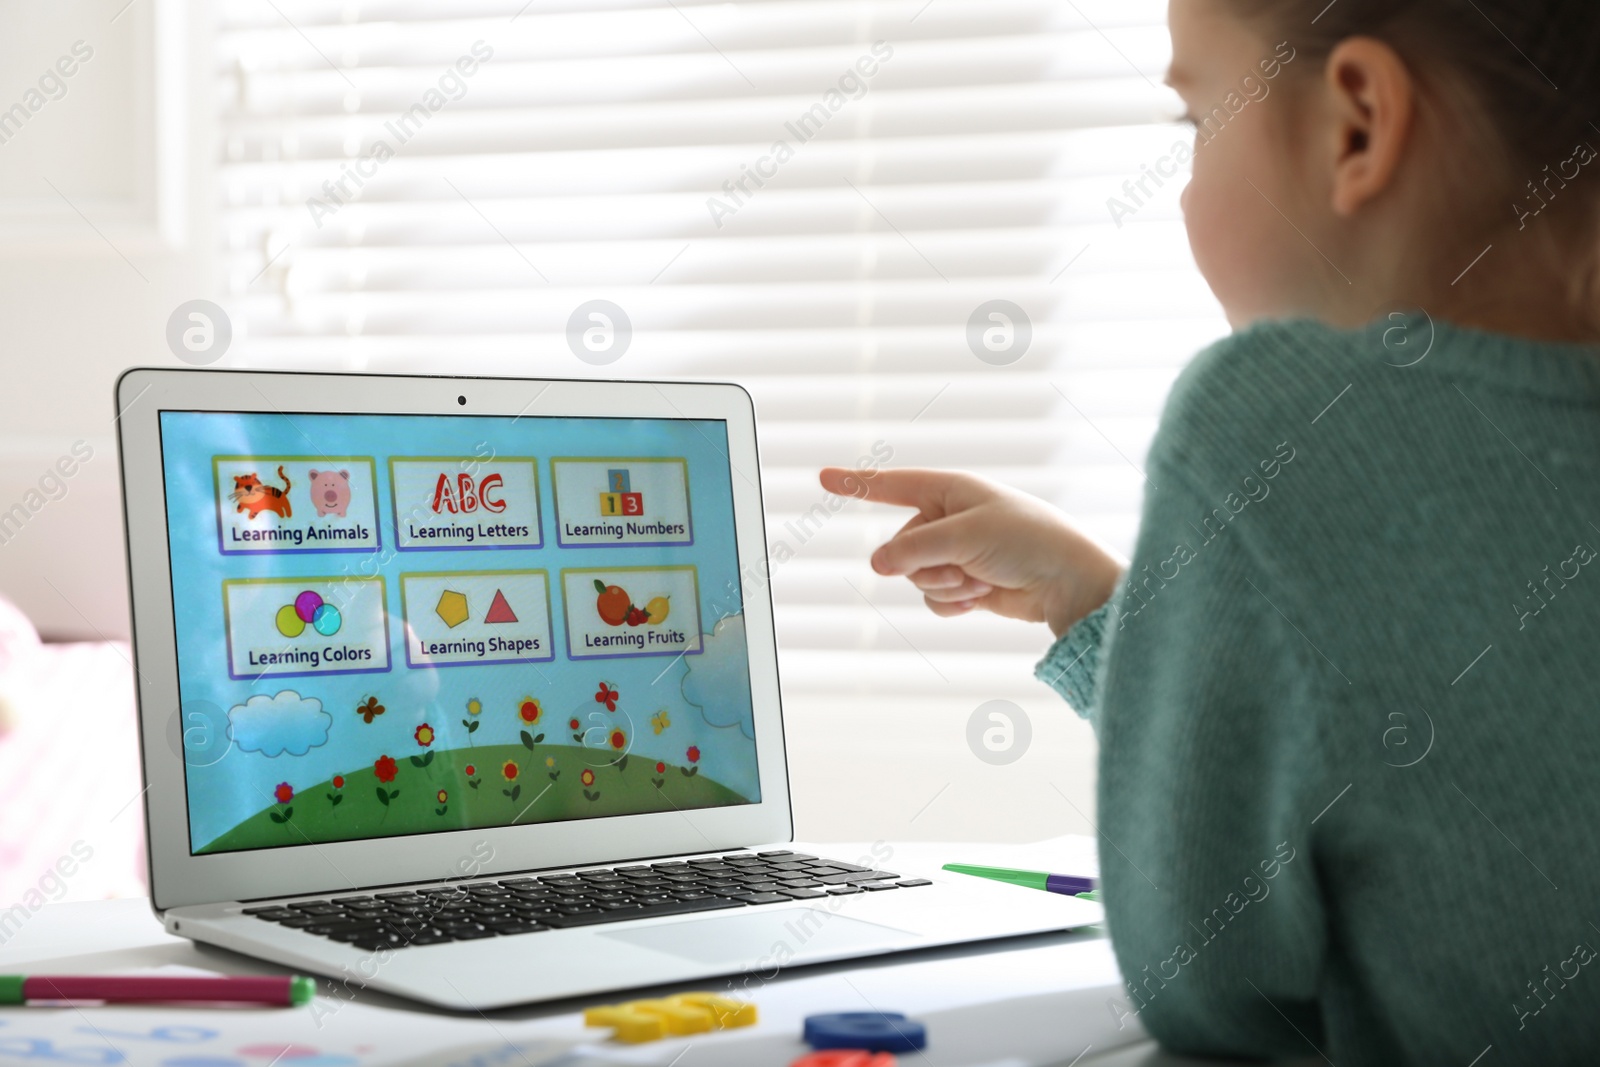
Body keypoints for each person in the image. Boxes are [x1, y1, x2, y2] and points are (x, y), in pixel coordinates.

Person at [822, 1, 1600, 1062]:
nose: (1183, 189)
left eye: (1195, 124)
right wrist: (1107, 608)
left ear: (1357, 123)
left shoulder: (1269, 416)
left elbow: (1209, 982)